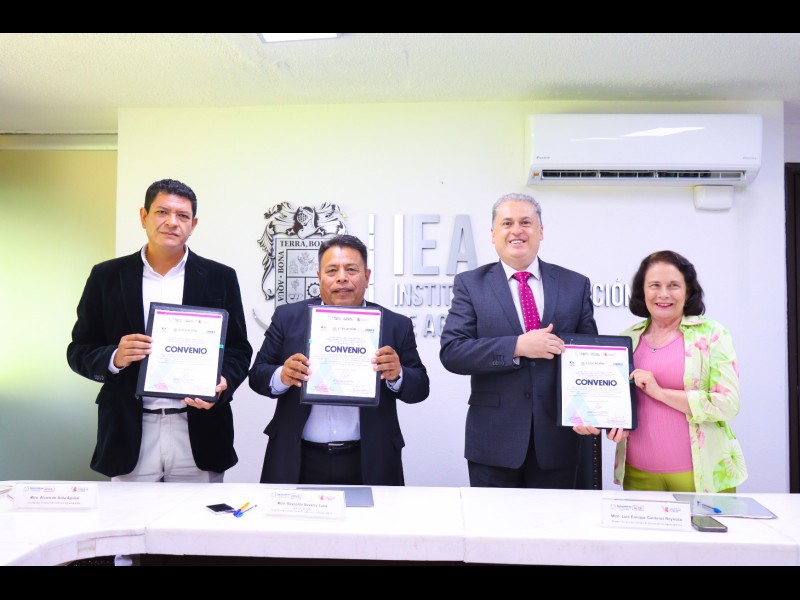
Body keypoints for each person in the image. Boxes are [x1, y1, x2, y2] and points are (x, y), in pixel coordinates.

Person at [67, 178, 253, 484]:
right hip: (129, 432)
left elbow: (238, 350)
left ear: (193, 224)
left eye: (182, 215)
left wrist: (223, 383)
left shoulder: (220, 277)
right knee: (128, 515)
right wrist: (114, 357)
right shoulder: (106, 276)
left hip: (199, 431)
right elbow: (79, 350)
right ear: (143, 216)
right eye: (162, 212)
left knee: (196, 515)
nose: (171, 222)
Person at [439, 192, 598, 489]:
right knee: (492, 520)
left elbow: (592, 355)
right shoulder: (471, 285)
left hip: (559, 439)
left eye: (526, 222)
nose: (517, 230)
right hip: (493, 442)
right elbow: (453, 351)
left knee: (555, 520)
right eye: (507, 223)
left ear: (541, 231)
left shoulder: (574, 284)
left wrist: (592, 409)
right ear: (493, 234)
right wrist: (517, 346)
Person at [248, 234, 430, 486]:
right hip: (298, 457)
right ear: (319, 276)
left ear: (366, 276)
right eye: (332, 270)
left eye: (351, 270)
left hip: (369, 459)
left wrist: (397, 374)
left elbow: (420, 387)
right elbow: (257, 375)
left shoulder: (395, 324)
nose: (341, 278)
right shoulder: (287, 317)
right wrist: (282, 375)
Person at [575, 250, 747, 493]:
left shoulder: (712, 335)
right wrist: (602, 423)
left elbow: (728, 404)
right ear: (642, 291)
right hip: (638, 475)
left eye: (674, 285)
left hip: (702, 477)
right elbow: (617, 404)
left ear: (688, 291)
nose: (663, 294)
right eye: (654, 285)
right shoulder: (627, 338)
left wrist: (660, 393)